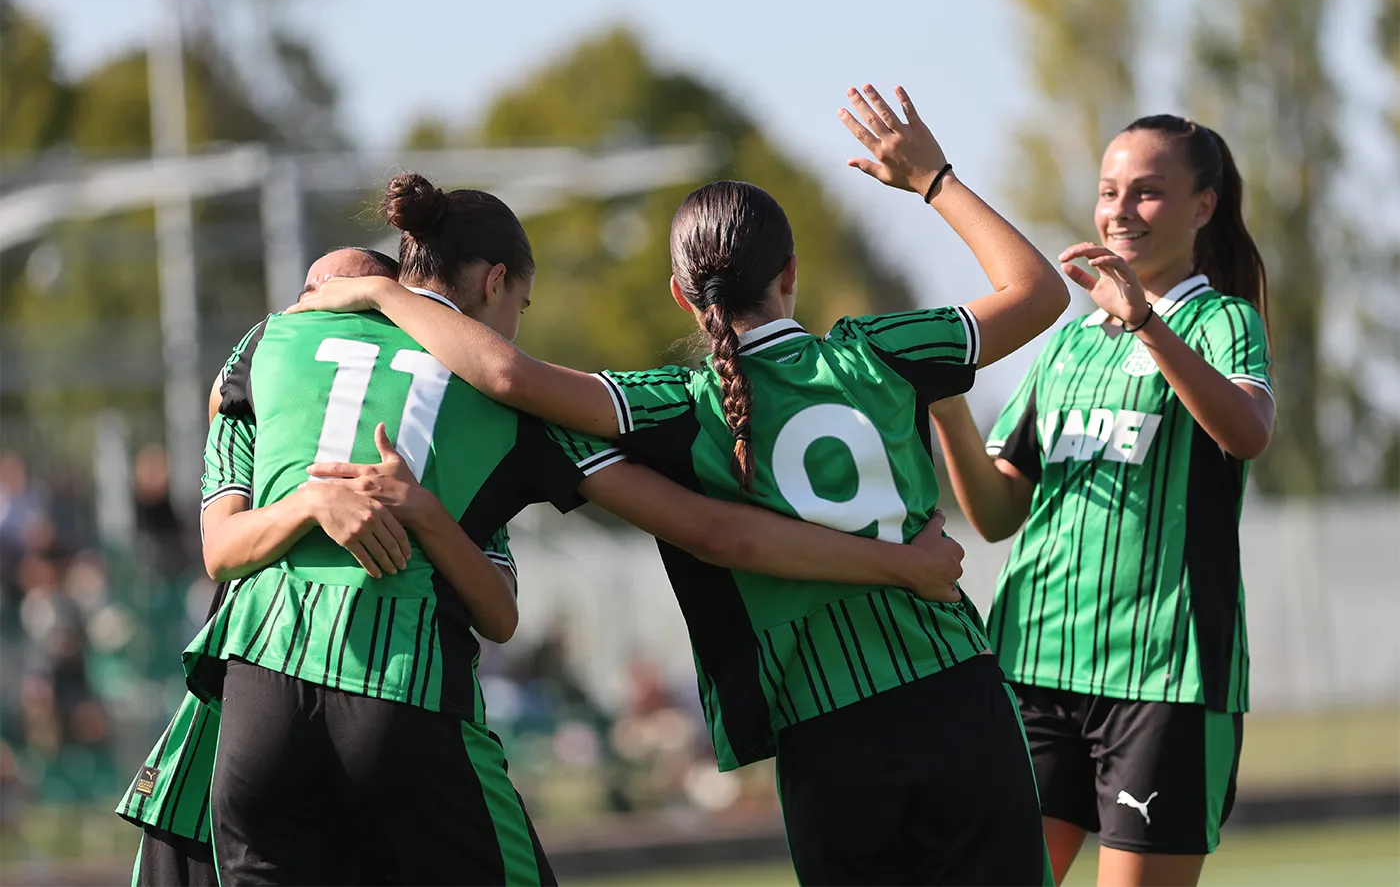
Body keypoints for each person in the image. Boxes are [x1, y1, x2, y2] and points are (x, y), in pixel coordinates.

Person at [290, 84, 1070, 887]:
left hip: (825, 728)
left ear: (680, 296)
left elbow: (505, 371)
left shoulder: (676, 408)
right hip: (960, 696)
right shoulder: (881, 349)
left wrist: (388, 292)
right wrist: (933, 179)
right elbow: (1041, 292)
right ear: (791, 273)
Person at [186, 173, 972, 887]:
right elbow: (708, 528)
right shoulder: (513, 405)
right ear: (497, 284)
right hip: (403, 699)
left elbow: (222, 540)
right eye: (519, 308)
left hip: (251, 707)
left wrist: (315, 502)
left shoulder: (266, 343)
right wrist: (897, 563)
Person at [927, 117, 1273, 887]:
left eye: (1149, 193)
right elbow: (996, 514)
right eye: (1110, 190)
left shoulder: (1223, 322)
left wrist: (1145, 322)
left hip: (1163, 678)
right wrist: (947, 403)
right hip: (1034, 667)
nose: (1121, 210)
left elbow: (1248, 432)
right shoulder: (1067, 344)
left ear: (1204, 207)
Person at [119, 248, 404, 887]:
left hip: (381, 694)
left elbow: (501, 608)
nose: (306, 307)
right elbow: (220, 549)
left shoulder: (424, 414)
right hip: (252, 688)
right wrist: (308, 502)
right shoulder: (262, 383)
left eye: (326, 293)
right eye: (305, 292)